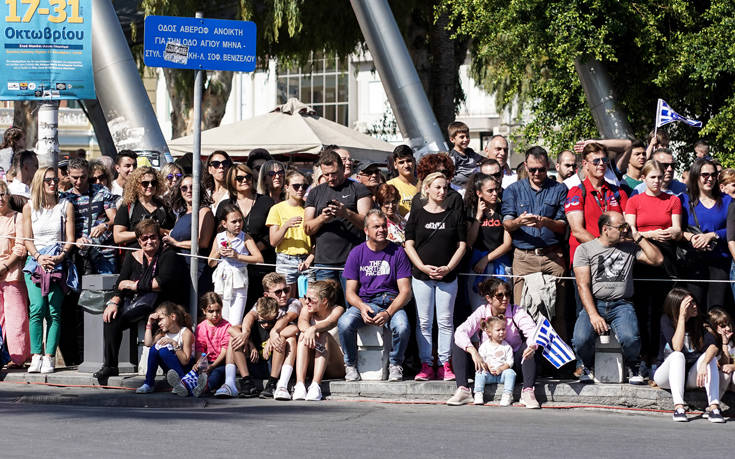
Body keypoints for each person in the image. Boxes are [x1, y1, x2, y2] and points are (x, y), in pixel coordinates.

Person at [572, 212, 663, 383]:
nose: (624, 230)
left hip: (622, 304)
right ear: (605, 229)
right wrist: (593, 315)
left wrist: (637, 237)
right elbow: (582, 285)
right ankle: (587, 364)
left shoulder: (629, 247)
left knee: (631, 338)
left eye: (625, 226)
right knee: (581, 339)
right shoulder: (585, 249)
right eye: (621, 227)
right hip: (595, 302)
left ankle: (633, 365)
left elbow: (657, 259)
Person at [95, 219, 186, 380]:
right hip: (139, 303)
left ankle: (170, 371)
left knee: (157, 319)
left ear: (159, 238)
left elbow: (160, 283)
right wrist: (114, 301)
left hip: (163, 304)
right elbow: (119, 283)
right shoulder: (133, 256)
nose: (149, 241)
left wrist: (132, 285)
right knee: (111, 318)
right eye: (144, 238)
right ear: (138, 240)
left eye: (153, 237)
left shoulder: (168, 254)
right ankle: (110, 366)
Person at [404, 172, 467, 381]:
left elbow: (462, 245)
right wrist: (421, 266)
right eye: (437, 187)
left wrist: (448, 267)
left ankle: (444, 363)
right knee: (424, 321)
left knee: (446, 321)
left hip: (447, 276)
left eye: (445, 188)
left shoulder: (455, 214)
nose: (442, 192)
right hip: (421, 276)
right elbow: (409, 244)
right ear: (427, 188)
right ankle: (426, 364)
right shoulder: (417, 214)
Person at [339, 210, 413, 382]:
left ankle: (395, 364)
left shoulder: (398, 252)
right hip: (365, 302)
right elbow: (349, 292)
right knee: (344, 323)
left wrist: (388, 313)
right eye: (376, 226)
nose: (381, 230)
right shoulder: (357, 253)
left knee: (402, 326)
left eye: (383, 226)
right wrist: (362, 307)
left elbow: (406, 291)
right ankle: (350, 365)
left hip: (391, 302)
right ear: (366, 230)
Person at [501, 146, 568, 330]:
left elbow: (563, 226)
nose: (537, 173)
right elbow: (506, 223)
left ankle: (559, 358)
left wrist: (546, 222)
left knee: (557, 314)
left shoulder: (560, 189)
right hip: (524, 257)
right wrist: (519, 222)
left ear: (548, 166)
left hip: (552, 256)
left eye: (541, 169)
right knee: (522, 313)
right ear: (525, 166)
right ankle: (526, 357)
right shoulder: (513, 190)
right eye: (532, 169)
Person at [59, 158, 118, 365]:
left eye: (83, 177)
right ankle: (77, 357)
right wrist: (75, 241)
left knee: (104, 304)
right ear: (67, 175)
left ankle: (105, 357)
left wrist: (105, 225)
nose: (78, 182)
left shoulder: (102, 193)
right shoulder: (65, 198)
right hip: (77, 256)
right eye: (74, 177)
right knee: (76, 307)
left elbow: (115, 220)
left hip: (103, 254)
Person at [447, 278, 540, 408]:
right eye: (500, 295)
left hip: (511, 365)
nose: (505, 298)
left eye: (507, 294)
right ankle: (463, 390)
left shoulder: (516, 311)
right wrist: (473, 351)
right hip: (485, 366)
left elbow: (532, 331)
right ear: (489, 298)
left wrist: (532, 345)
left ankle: (528, 391)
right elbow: (461, 331)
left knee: (528, 348)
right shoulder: (482, 311)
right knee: (459, 343)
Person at [625, 160, 682, 365]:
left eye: (660, 177)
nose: (657, 181)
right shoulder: (635, 201)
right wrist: (650, 234)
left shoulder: (673, 200)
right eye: (653, 177)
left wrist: (666, 233)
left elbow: (677, 229)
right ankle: (643, 355)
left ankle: (660, 354)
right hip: (642, 256)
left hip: (666, 256)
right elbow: (630, 231)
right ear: (643, 179)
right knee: (642, 307)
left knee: (662, 308)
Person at [22, 167, 75, 374]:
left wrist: (60, 256)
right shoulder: (29, 207)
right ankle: (36, 355)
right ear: (39, 183)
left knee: (54, 311)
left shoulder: (65, 205)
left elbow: (69, 238)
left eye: (55, 180)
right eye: (48, 180)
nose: (53, 183)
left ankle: (50, 356)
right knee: (36, 308)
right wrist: (38, 257)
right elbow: (27, 239)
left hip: (57, 260)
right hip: (35, 261)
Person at [565, 143, 628, 300]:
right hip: (586, 262)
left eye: (604, 160)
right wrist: (603, 249)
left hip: (615, 261)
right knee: (586, 314)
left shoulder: (617, 192)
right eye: (596, 161)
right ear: (585, 164)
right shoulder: (576, 192)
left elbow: (626, 226)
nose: (601, 164)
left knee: (614, 312)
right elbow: (577, 230)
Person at [304, 150, 372, 292]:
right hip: (324, 262)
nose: (330, 178)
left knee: (352, 303)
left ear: (342, 168)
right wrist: (323, 218)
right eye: (326, 174)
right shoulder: (315, 192)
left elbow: (367, 223)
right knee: (325, 307)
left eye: (334, 173)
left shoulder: (357, 188)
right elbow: (307, 228)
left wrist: (345, 213)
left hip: (352, 260)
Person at [653, 288, 724, 423]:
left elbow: (713, 346)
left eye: (694, 302)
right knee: (677, 355)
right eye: (689, 304)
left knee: (710, 358)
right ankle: (679, 408)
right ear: (679, 306)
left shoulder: (700, 321)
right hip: (666, 376)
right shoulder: (666, 320)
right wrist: (681, 318)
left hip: (691, 376)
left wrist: (704, 363)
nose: (695, 306)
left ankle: (714, 408)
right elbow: (677, 347)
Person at [226, 274, 302, 399]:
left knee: (288, 339)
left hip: (278, 354)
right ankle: (239, 382)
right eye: (278, 292)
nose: (284, 294)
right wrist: (246, 335)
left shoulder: (293, 302)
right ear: (266, 295)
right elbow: (249, 316)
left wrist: (274, 334)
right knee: (236, 338)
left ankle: (278, 384)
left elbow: (289, 319)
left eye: (286, 290)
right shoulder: (262, 304)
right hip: (258, 355)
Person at [216, 163, 275, 308]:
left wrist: (251, 250)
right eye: (239, 178)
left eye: (248, 176)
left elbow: (271, 233)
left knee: (262, 309)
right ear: (231, 182)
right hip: (232, 269)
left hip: (261, 265)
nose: (244, 180)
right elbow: (219, 234)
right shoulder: (225, 205)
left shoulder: (265, 201)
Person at [681, 159, 731, 311]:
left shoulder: (728, 201)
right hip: (693, 262)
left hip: (720, 262)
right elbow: (676, 230)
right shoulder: (683, 200)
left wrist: (713, 235)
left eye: (713, 175)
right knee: (695, 308)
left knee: (717, 308)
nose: (710, 178)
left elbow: (732, 229)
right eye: (705, 175)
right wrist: (691, 237)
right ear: (696, 176)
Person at [208, 203, 264, 326]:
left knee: (235, 321)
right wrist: (218, 252)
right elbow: (211, 263)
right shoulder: (219, 237)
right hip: (222, 281)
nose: (238, 224)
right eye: (234, 222)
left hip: (239, 282)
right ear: (224, 223)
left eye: (240, 221)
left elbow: (259, 259)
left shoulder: (246, 238)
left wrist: (238, 256)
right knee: (222, 319)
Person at [464, 173, 512, 310]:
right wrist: (478, 217)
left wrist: (486, 259)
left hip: (501, 264)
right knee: (479, 309)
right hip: (477, 266)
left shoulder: (504, 210)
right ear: (479, 193)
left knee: (501, 309)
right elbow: (470, 241)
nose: (494, 194)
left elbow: (507, 244)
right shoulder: (471, 211)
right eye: (490, 191)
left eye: (496, 189)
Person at [293, 280, 345, 401]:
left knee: (323, 335)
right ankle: (300, 384)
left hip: (335, 365)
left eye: (311, 299)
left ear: (325, 301)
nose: (306, 302)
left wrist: (314, 329)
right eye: (306, 298)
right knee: (303, 335)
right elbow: (301, 323)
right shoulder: (307, 309)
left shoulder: (338, 310)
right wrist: (309, 331)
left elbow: (330, 323)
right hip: (314, 361)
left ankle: (316, 385)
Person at [266, 169, 313, 297]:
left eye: (304, 186)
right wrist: (286, 225)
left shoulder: (309, 208)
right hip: (285, 259)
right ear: (286, 187)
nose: (300, 189)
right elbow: (273, 241)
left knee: (309, 301)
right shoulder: (277, 209)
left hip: (306, 259)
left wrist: (310, 258)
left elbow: (317, 240)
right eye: (296, 186)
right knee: (285, 300)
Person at [163, 175, 215, 282]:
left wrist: (176, 243)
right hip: (179, 266)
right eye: (184, 188)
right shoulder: (181, 214)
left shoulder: (204, 212)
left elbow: (203, 243)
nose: (189, 191)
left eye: (193, 187)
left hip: (196, 268)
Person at [0, 180, 30, 368]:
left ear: (8, 196)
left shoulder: (17, 217)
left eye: (2, 194)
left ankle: (18, 357)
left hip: (11, 274)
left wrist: (4, 267)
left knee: (16, 317)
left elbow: (20, 248)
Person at [136, 302, 195, 394]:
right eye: (157, 321)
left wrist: (174, 343)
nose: (159, 323)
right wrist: (149, 323)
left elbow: (185, 361)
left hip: (185, 369)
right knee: (154, 349)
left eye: (161, 319)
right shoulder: (162, 333)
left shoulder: (185, 333)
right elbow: (148, 344)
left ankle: (183, 383)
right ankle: (148, 384)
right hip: (172, 370)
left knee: (163, 351)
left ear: (173, 317)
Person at [113, 166, 175, 247]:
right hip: (135, 255)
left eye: (153, 183)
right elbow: (118, 237)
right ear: (136, 185)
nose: (150, 186)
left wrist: (160, 231)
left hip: (160, 255)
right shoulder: (127, 206)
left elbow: (173, 233)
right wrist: (143, 232)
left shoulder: (164, 206)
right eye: (145, 183)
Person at [188, 292, 231, 397]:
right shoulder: (201, 327)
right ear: (204, 311)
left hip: (220, 363)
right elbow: (200, 348)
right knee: (193, 369)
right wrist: (199, 363)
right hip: (205, 362)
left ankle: (204, 387)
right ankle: (185, 385)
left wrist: (212, 366)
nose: (215, 315)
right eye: (211, 311)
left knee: (216, 373)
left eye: (218, 311)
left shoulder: (227, 326)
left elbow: (225, 350)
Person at [472, 316, 516, 406]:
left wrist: (501, 369)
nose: (501, 332)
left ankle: (507, 394)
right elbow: (482, 361)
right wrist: (488, 368)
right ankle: (478, 393)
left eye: (503, 329)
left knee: (511, 373)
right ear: (489, 332)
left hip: (501, 375)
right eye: (498, 330)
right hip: (489, 374)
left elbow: (510, 362)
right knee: (479, 373)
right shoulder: (484, 347)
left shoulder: (507, 347)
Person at [708, 308, 735, 397]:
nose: (728, 328)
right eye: (723, 326)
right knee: (725, 375)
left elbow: (728, 365)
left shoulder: (733, 340)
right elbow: (723, 364)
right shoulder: (712, 341)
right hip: (718, 377)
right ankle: (715, 404)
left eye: (728, 324)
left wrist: (733, 366)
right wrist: (724, 343)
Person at [447, 121, 483, 188]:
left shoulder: (470, 151)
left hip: (474, 185)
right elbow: (449, 176)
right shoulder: (453, 157)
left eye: (467, 136)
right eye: (462, 137)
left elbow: (484, 160)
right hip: (460, 188)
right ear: (452, 139)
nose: (466, 139)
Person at [386, 145, 417, 217]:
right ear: (395, 165)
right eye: (401, 162)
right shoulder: (389, 186)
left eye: (409, 161)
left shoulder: (424, 185)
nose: (406, 165)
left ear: (414, 161)